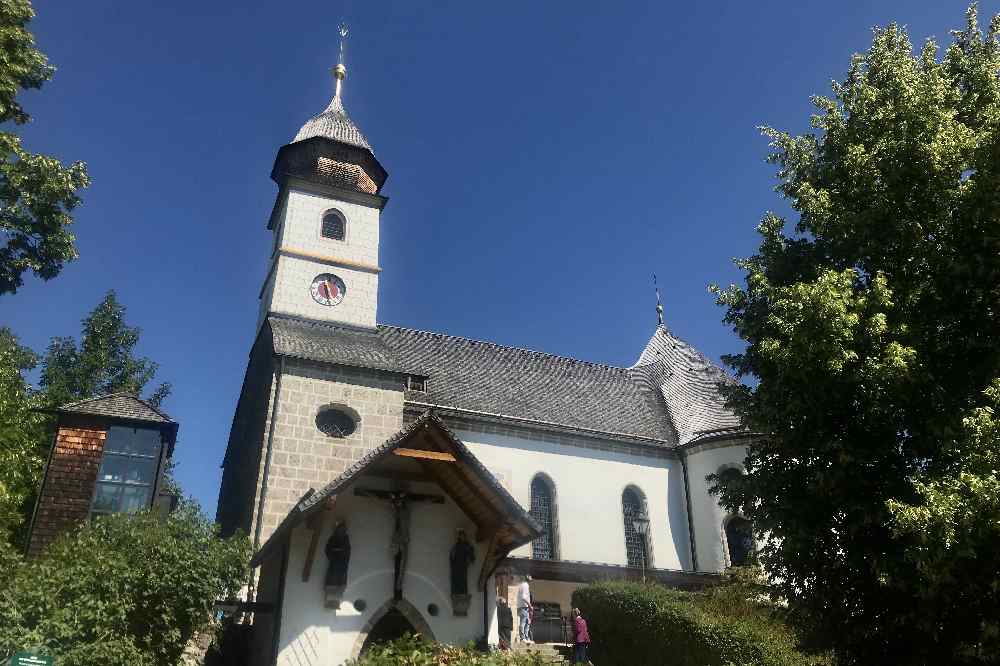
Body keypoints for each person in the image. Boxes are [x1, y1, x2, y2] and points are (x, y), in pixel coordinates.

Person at [516, 575, 532, 643]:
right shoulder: (525, 585)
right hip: (524, 607)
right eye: (530, 577)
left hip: (521, 606)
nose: (532, 578)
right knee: (523, 622)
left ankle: (526, 637)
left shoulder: (521, 585)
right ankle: (523, 638)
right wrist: (529, 605)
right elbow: (524, 597)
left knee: (527, 622)